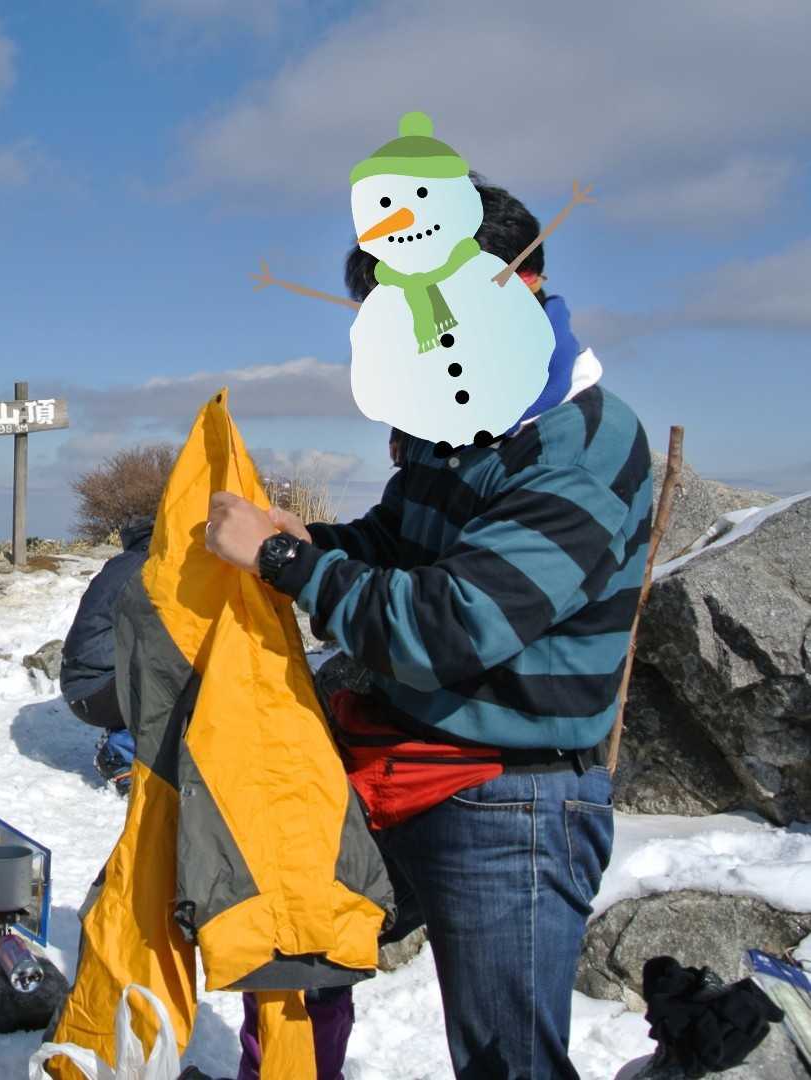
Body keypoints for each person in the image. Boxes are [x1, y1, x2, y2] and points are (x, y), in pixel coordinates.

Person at [209, 179, 651, 1079]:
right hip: (398, 759)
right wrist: (310, 542)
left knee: (507, 1061)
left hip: (513, 800)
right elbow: (396, 540)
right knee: (296, 939)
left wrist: (284, 563)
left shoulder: (580, 442)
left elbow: (449, 624)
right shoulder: (457, 413)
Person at [59, 515, 153, 793]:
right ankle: (120, 754)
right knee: (184, 675)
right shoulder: (149, 569)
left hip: (85, 685)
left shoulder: (126, 563)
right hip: (95, 689)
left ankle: (126, 738)